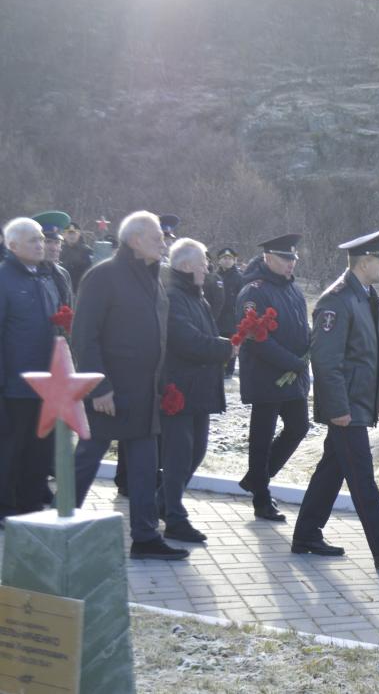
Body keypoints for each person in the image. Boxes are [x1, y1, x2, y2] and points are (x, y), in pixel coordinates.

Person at [293, 228, 379, 569]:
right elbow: (326, 361)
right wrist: (338, 409)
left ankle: (305, 534)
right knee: (361, 476)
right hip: (346, 407)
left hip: (361, 401)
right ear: (364, 263)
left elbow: (377, 352)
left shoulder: (368, 296)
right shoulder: (337, 299)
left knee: (332, 470)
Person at [71, 211, 188, 560]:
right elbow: (84, 336)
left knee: (143, 466)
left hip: (144, 391)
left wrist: (164, 383)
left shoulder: (153, 278)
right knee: (88, 458)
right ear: (135, 240)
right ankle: (60, 522)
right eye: (157, 238)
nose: (164, 243)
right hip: (110, 392)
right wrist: (99, 386)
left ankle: (145, 537)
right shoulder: (103, 276)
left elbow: (159, 334)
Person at [157, 238, 236, 544]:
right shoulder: (173, 296)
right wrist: (227, 347)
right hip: (178, 390)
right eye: (203, 263)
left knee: (196, 450)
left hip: (198, 390)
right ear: (186, 265)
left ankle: (161, 503)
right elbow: (186, 340)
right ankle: (175, 518)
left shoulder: (197, 297)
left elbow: (205, 334)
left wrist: (225, 344)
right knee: (178, 456)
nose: (208, 267)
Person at [236, 234, 311, 522]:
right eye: (285, 258)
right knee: (262, 437)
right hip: (266, 376)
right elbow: (256, 338)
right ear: (268, 257)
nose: (291, 264)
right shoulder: (254, 291)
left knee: (298, 427)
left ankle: (258, 479)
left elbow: (300, 326)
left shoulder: (292, 289)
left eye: (294, 258)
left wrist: (308, 348)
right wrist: (292, 361)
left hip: (294, 376)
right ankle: (261, 497)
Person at [0, 218, 58, 523]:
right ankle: (5, 506)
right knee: (11, 448)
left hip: (46, 385)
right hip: (15, 385)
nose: (41, 244)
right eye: (33, 240)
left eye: (41, 239)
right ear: (12, 246)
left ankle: (31, 503)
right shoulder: (4, 278)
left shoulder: (44, 277)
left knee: (39, 448)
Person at [31, 211, 74, 310]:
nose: (54, 248)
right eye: (47, 242)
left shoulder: (63, 274)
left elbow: (69, 309)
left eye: (57, 242)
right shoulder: (26, 272)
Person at [215, 248, 243, 377]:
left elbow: (242, 298)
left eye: (230, 258)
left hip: (232, 318)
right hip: (217, 317)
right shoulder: (214, 276)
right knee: (218, 342)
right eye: (224, 258)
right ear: (219, 260)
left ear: (234, 260)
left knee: (232, 343)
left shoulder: (239, 277)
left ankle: (229, 370)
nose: (227, 261)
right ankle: (218, 368)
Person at [60, 221, 94, 292]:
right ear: (64, 235)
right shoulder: (59, 250)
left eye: (75, 233)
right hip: (63, 289)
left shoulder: (87, 251)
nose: (72, 236)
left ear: (79, 234)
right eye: (69, 233)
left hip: (81, 291)